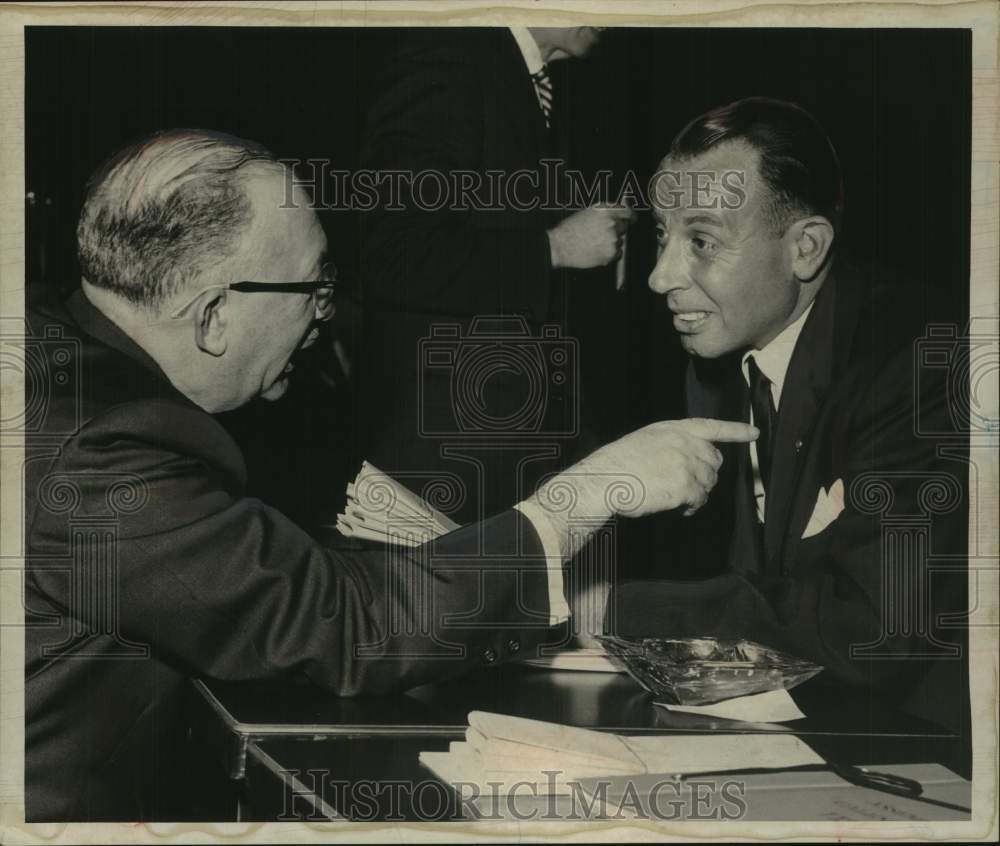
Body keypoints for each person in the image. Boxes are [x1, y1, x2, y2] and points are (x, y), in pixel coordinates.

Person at [23, 129, 755, 820]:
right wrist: (585, 495)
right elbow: (345, 626)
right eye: (313, 290)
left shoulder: (51, 356)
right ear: (213, 316)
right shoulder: (105, 451)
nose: (322, 321)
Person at [613, 97, 969, 736]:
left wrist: (603, 606)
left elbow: (877, 632)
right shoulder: (718, 360)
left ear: (805, 248)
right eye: (662, 237)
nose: (660, 277)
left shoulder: (918, 362)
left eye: (702, 241)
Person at [358, 27, 634, 524]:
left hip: (511, 439)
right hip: (450, 453)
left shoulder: (530, 77)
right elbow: (394, 255)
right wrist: (557, 246)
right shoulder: (445, 55)